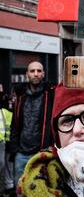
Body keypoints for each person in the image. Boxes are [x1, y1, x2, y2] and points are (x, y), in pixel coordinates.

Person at [8, 61, 55, 190]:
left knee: (40, 193)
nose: (36, 74)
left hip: (41, 153)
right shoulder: (20, 96)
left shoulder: (50, 95)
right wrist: (15, 149)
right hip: (21, 154)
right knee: (20, 191)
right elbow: (15, 124)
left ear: (43, 74)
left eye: (39, 71)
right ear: (27, 74)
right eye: (32, 71)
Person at [0, 88, 14, 197]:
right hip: (4, 142)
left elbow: (8, 126)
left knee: (5, 165)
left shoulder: (5, 112)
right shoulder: (5, 111)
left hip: (5, 142)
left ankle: (8, 188)